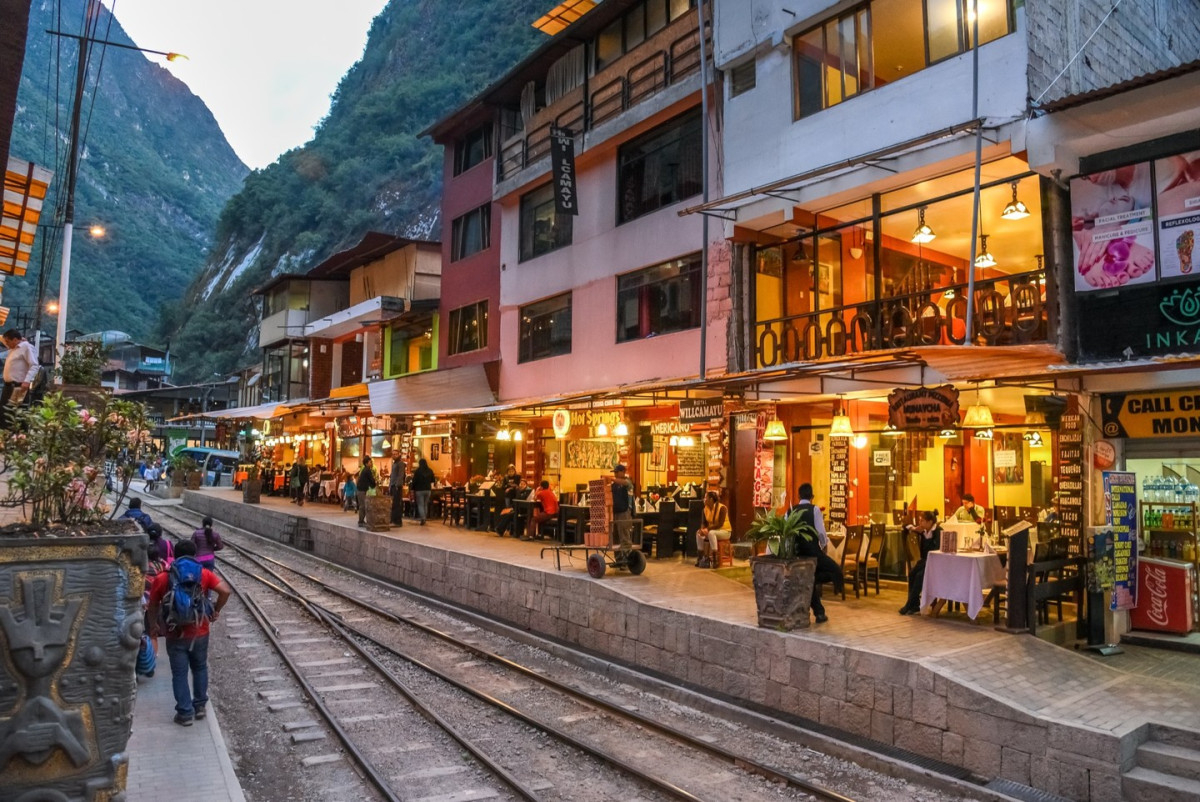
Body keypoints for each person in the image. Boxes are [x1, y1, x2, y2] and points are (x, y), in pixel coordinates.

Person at [147, 540, 230, 726]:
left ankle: (185, 714)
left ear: (175, 555)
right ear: (194, 555)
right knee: (200, 667)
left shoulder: (164, 578)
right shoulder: (204, 574)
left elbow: (152, 605)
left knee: (179, 673)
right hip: (200, 631)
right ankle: (200, 707)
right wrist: (216, 609)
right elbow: (225, 591)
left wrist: (154, 625)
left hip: (174, 632)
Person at [789, 483, 843, 624]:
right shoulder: (814, 510)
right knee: (835, 570)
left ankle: (820, 613)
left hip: (797, 555)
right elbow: (821, 532)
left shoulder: (790, 511)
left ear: (798, 495)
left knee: (810, 579)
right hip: (813, 553)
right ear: (812, 496)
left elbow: (787, 535)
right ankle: (838, 589)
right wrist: (824, 547)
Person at [899, 510, 942, 615]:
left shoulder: (938, 532)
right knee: (912, 574)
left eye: (922, 521)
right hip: (924, 562)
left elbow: (937, 550)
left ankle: (909, 604)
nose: (920, 523)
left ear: (930, 522)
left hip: (935, 564)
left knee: (919, 576)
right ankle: (914, 604)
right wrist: (913, 528)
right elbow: (904, 526)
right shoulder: (923, 531)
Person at [1, 329, 39, 429]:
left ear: (14, 340)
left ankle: (21, 439)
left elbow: (34, 365)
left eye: (8, 341)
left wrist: (27, 381)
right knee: (4, 414)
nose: (6, 344)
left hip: (18, 386)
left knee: (18, 414)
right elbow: (2, 339)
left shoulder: (26, 347)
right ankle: (6, 438)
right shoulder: (13, 348)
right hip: (8, 386)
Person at [695, 491, 731, 568]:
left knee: (711, 533)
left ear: (711, 499)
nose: (704, 499)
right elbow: (703, 523)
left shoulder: (722, 508)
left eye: (705, 498)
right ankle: (700, 558)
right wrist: (702, 530)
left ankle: (715, 560)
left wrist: (707, 529)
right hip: (713, 531)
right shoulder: (705, 509)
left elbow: (720, 524)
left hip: (725, 531)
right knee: (698, 533)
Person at [411, 457, 435, 525]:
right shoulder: (430, 470)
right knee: (425, 504)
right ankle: (424, 517)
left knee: (420, 505)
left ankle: (423, 518)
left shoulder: (417, 471)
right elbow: (433, 480)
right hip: (428, 489)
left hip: (419, 490)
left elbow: (414, 481)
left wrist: (412, 488)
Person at [356, 456, 378, 526]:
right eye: (370, 462)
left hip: (361, 489)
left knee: (363, 505)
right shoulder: (367, 470)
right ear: (366, 463)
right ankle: (361, 521)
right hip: (362, 490)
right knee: (363, 505)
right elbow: (371, 480)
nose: (371, 463)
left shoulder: (365, 469)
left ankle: (361, 520)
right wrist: (375, 485)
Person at [389, 455, 406, 526]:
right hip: (393, 485)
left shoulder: (400, 463)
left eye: (395, 454)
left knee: (397, 504)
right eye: (393, 454)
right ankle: (393, 519)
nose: (393, 456)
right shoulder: (394, 464)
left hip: (397, 486)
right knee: (393, 504)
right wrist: (390, 485)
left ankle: (397, 521)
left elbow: (401, 475)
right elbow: (393, 475)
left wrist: (397, 485)